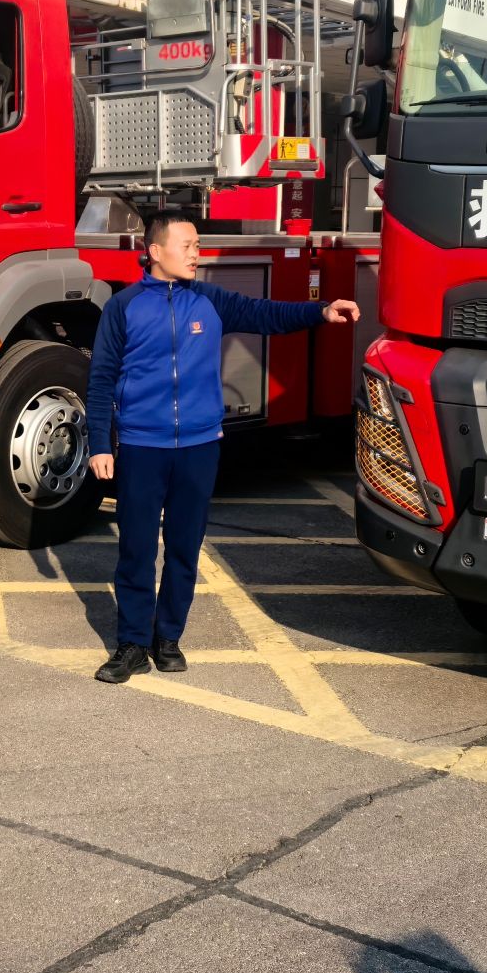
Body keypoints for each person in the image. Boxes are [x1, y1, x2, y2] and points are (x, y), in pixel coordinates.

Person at [85, 212, 359, 684]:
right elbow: (101, 380)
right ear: (155, 251)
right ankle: (132, 644)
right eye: (187, 245)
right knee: (135, 549)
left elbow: (267, 314)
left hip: (199, 445)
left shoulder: (210, 300)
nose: (197, 254)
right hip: (142, 445)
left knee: (184, 548)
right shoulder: (124, 307)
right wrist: (99, 444)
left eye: (197, 245)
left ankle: (168, 638)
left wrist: (319, 311)